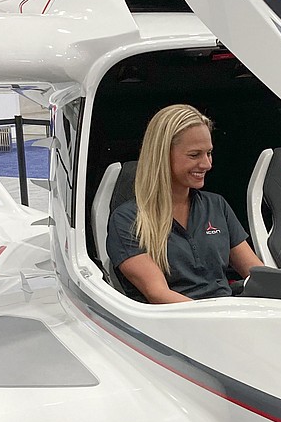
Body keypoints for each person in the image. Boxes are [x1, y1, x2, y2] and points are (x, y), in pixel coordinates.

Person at [107, 104, 263, 303]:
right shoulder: (127, 220)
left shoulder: (216, 206)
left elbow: (256, 275)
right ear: (162, 155)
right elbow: (157, 294)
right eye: (194, 155)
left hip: (227, 315)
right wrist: (217, 322)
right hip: (176, 325)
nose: (207, 164)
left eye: (209, 153)